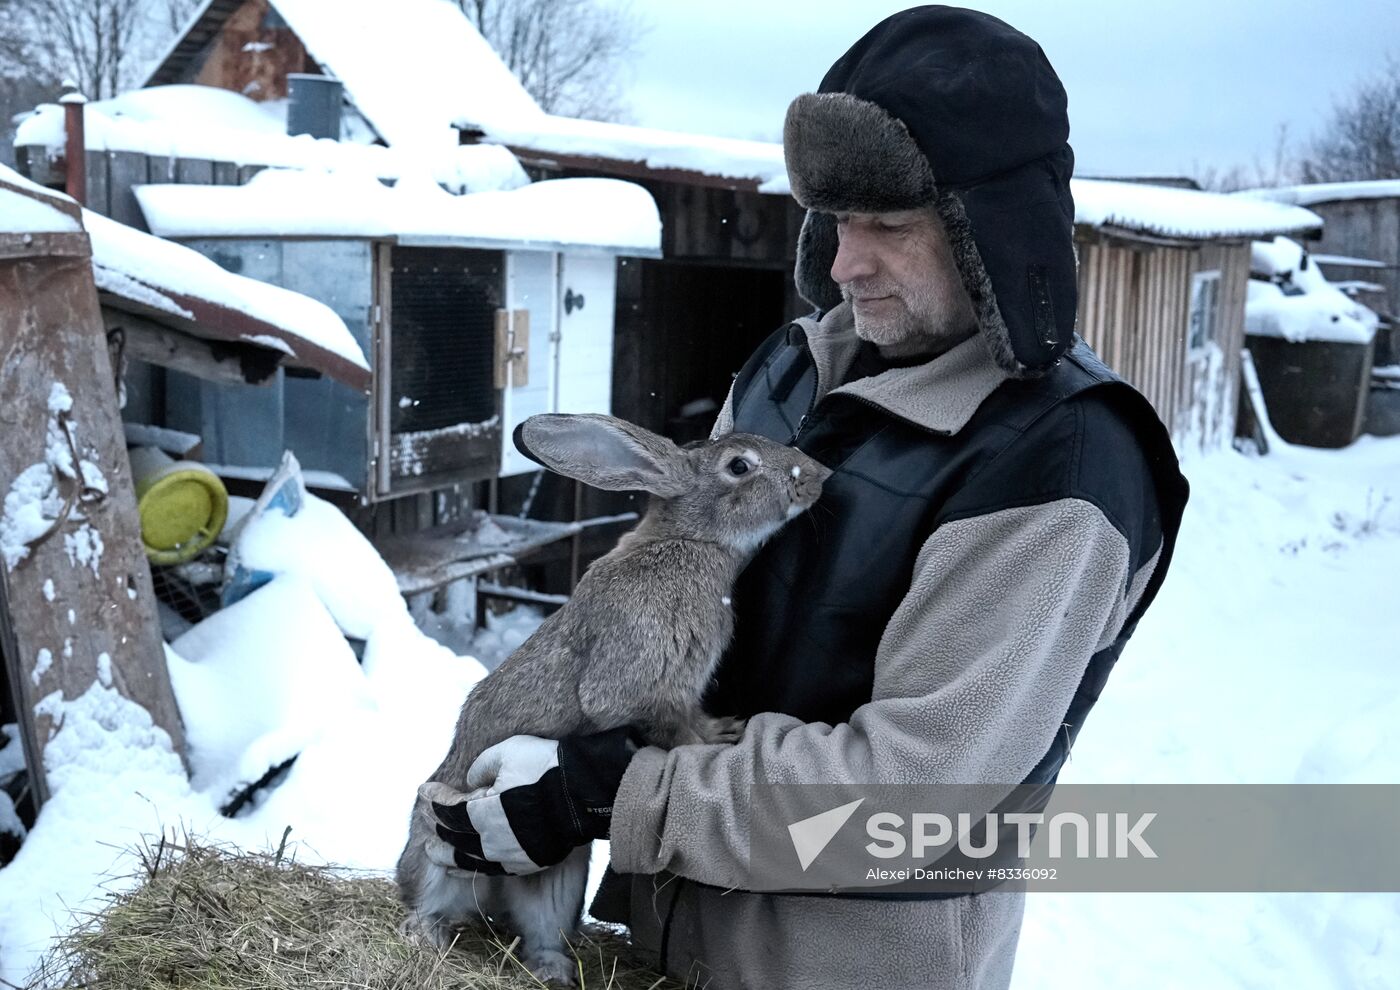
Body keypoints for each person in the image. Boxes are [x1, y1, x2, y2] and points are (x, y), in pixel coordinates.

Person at [425, 6, 1189, 988]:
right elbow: (667, 594)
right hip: (671, 945)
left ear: (991, 232)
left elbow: (906, 791)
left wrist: (610, 796)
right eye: (831, 220)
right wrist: (533, 731)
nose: (841, 263)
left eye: (887, 226)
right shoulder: (793, 373)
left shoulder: (1058, 463)